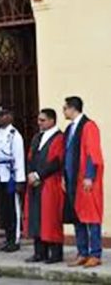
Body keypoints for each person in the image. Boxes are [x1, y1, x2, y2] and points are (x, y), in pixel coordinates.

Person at [63, 96, 104, 268]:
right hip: (72, 180)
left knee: (92, 217)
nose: (63, 111)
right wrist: (64, 177)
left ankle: (95, 254)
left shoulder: (89, 126)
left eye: (65, 108)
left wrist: (89, 176)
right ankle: (82, 252)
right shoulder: (70, 128)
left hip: (86, 181)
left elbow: (92, 152)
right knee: (77, 217)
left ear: (73, 108)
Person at [25, 109, 65, 264]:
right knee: (36, 216)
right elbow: (30, 157)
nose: (39, 123)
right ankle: (39, 252)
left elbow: (56, 162)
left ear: (52, 121)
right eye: (39, 119)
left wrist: (39, 175)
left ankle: (55, 254)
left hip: (50, 182)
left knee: (50, 217)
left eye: (42, 120)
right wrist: (30, 174)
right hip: (34, 182)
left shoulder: (59, 138)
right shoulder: (37, 137)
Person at [0, 106, 26, 253]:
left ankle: (15, 239)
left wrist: (20, 180)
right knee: (4, 210)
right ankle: (8, 237)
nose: (0, 118)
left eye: (4, 115)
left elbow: (19, 158)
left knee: (13, 209)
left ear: (11, 116)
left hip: (11, 176)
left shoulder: (15, 135)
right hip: (1, 175)